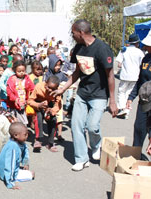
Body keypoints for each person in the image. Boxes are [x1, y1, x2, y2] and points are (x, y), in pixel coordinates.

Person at [52, 19, 118, 171]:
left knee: (92, 126)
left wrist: (112, 101)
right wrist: (63, 89)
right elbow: (76, 73)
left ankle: (96, 145)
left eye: (73, 32)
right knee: (77, 126)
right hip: (82, 93)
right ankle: (82, 159)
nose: (72, 35)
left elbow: (110, 76)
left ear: (81, 33)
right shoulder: (78, 49)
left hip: (100, 94)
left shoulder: (102, 49)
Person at [127, 31, 151, 147]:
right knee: (139, 128)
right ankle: (135, 155)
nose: (146, 47)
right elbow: (140, 80)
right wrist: (131, 97)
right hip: (144, 101)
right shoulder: (146, 59)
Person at [0, 122, 34, 189]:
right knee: (32, 174)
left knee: (26, 171)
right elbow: (10, 165)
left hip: (6, 169)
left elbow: (25, 151)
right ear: (16, 135)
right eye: (25, 134)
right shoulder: (13, 147)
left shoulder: (20, 142)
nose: (27, 136)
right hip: (4, 173)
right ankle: (10, 178)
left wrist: (26, 164)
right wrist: (10, 184)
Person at [28, 76, 62, 151]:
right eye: (48, 87)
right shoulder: (39, 87)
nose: (50, 90)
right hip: (39, 105)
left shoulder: (57, 92)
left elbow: (58, 105)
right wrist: (38, 105)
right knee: (38, 118)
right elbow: (30, 101)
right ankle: (38, 140)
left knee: (53, 120)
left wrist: (52, 110)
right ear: (45, 83)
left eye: (53, 89)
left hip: (50, 106)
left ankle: (50, 143)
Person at [116, 33, 144, 119]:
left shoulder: (124, 50)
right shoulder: (140, 52)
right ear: (137, 43)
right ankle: (127, 111)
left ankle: (121, 108)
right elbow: (142, 64)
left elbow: (119, 64)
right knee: (129, 93)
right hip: (135, 76)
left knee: (121, 92)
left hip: (125, 75)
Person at [7, 60, 34, 125]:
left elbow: (32, 87)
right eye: (19, 71)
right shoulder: (12, 79)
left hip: (23, 102)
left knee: (23, 120)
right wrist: (15, 99)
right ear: (15, 71)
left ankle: (22, 131)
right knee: (14, 120)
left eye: (23, 71)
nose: (21, 73)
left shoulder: (27, 79)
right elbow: (9, 91)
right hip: (13, 103)